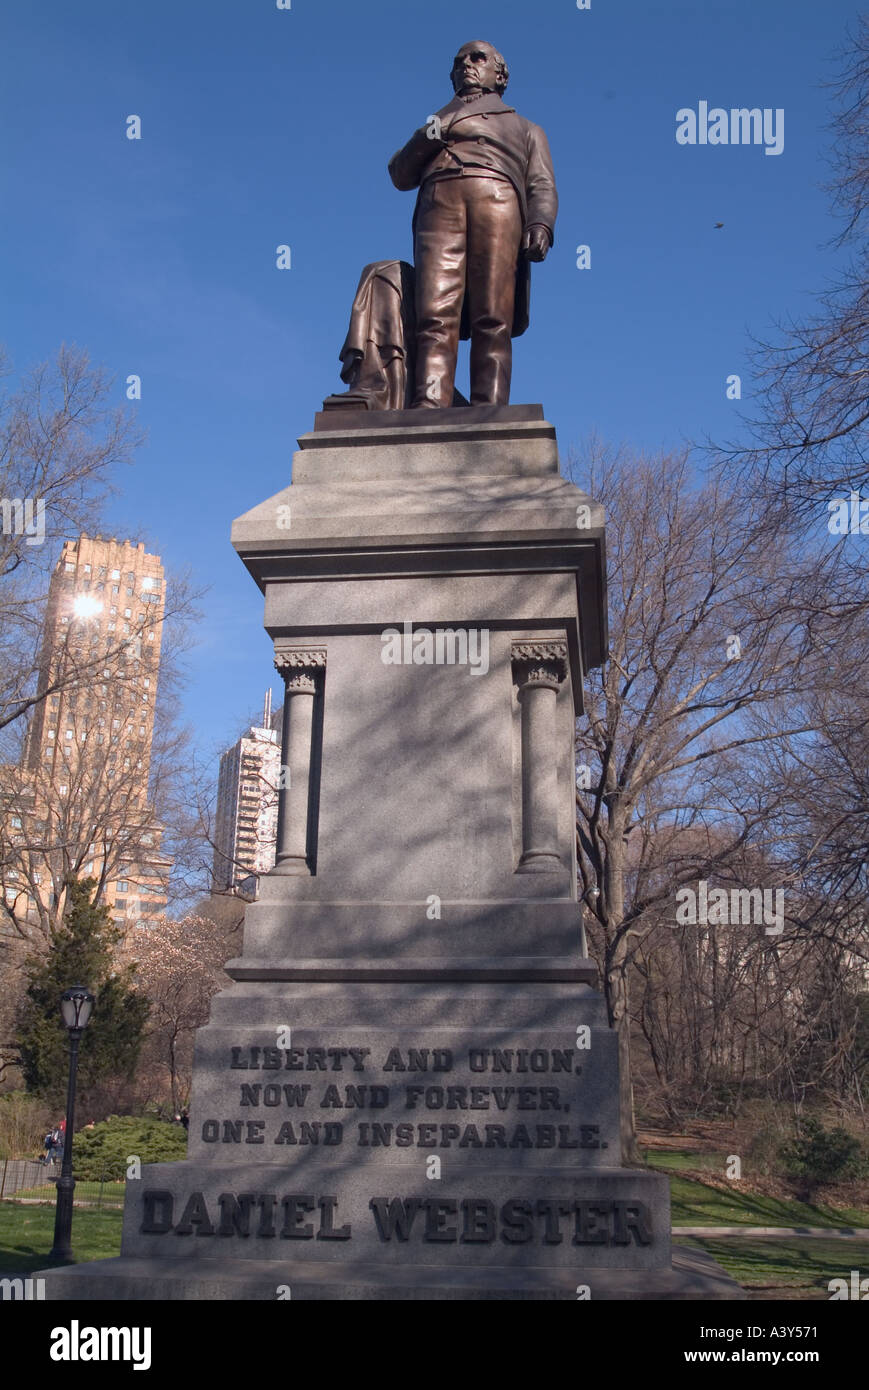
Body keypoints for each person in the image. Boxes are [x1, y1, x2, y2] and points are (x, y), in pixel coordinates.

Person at [389, 40, 558, 409]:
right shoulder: (435, 122)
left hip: (498, 203)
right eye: (459, 61)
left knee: (493, 315)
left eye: (477, 57)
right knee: (434, 311)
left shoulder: (526, 128)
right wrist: (430, 133)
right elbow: (401, 175)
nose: (466, 64)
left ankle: (490, 410)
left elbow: (541, 183)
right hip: (439, 204)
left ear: (499, 74)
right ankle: (429, 405)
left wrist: (541, 224)